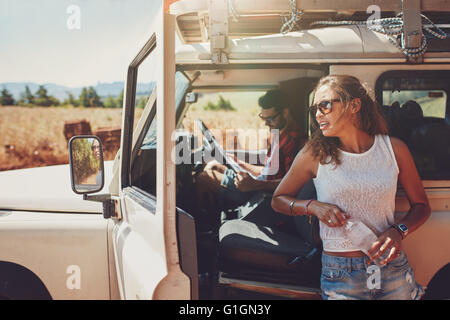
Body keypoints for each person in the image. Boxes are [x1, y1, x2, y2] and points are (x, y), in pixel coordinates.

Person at [271, 75, 430, 300]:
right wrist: (313, 206)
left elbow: (422, 206)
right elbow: (278, 199)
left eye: (325, 105)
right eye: (314, 109)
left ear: (354, 105)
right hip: (341, 273)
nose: (318, 115)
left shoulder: (394, 149)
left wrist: (399, 231)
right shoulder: (314, 154)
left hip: (393, 269)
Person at [195, 89, 306, 212]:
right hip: (258, 185)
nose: (266, 123)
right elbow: (267, 171)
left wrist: (254, 184)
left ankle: (206, 223)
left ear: (285, 113)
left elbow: (291, 183)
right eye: (263, 118)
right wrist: (239, 163)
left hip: (261, 194)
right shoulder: (279, 133)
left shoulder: (293, 140)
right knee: (213, 166)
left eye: (270, 119)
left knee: (203, 177)